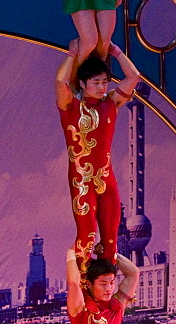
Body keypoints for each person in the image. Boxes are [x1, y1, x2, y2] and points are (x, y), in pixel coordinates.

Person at [57, 41, 141, 274]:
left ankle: (105, 286)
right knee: (86, 234)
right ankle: (82, 287)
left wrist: (116, 52)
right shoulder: (70, 107)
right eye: (96, 83)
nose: (102, 87)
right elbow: (60, 82)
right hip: (81, 181)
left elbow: (133, 77)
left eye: (105, 82)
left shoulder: (111, 104)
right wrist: (72, 53)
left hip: (106, 180)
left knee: (111, 237)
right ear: (83, 84)